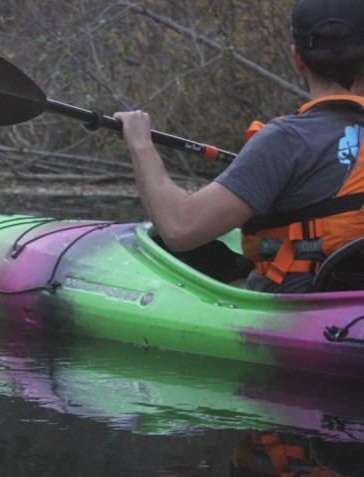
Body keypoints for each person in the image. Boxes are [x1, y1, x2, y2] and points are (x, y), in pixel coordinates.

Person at [114, 0, 364, 293]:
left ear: (297, 58)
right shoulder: (286, 144)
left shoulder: (285, 141)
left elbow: (179, 228)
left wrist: (141, 143)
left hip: (306, 310)